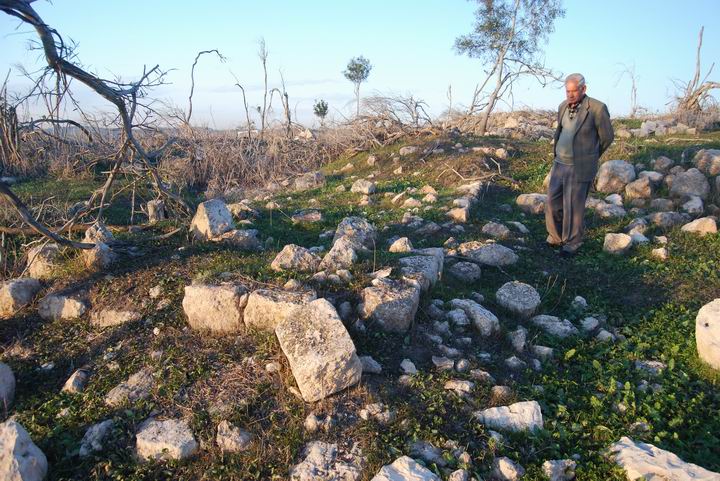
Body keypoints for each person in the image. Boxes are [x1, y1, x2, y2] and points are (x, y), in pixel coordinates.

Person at [545, 73, 614, 257]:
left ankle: (573, 242)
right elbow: (559, 132)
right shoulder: (562, 106)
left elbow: (607, 137)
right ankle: (555, 237)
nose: (570, 95)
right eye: (568, 91)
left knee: (573, 206)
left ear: (584, 89)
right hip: (559, 163)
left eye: (574, 91)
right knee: (552, 201)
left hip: (579, 166)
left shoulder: (597, 108)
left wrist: (591, 155)